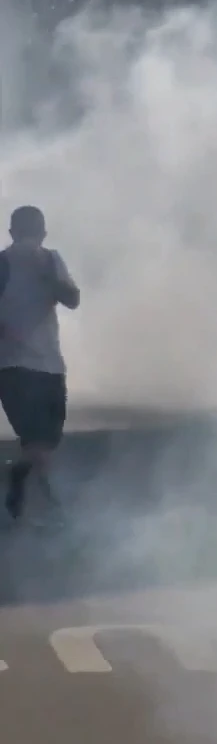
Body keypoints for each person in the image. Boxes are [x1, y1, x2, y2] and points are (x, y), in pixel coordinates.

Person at [0, 206, 79, 525]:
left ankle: (19, 474)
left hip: (36, 365)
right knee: (40, 443)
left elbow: (71, 299)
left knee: (42, 442)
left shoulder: (49, 260)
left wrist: (49, 277)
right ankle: (58, 512)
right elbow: (73, 299)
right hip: (24, 367)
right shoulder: (16, 262)